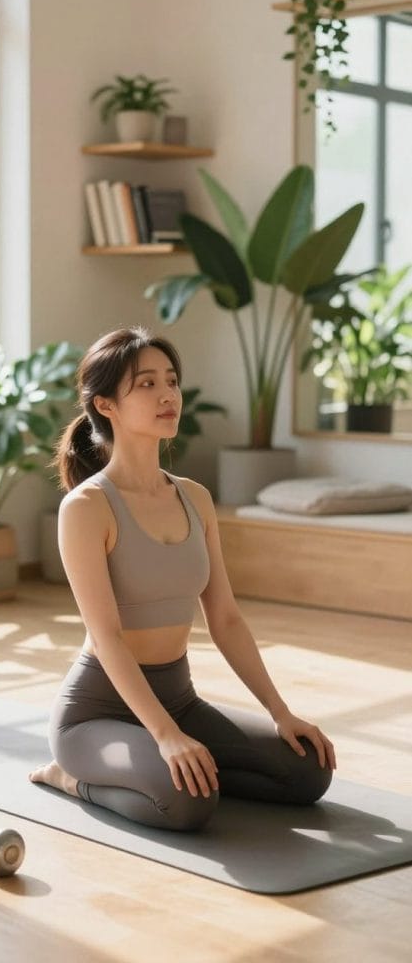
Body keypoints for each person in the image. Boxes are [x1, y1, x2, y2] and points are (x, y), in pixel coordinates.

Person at [29, 326, 335, 831]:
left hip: (180, 698)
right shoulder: (86, 507)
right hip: (98, 715)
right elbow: (106, 638)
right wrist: (165, 735)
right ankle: (73, 778)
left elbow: (227, 620)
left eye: (170, 381)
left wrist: (282, 713)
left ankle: (192, 770)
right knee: (187, 803)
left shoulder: (195, 498)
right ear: (106, 405)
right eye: (146, 384)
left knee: (307, 770)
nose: (168, 394)